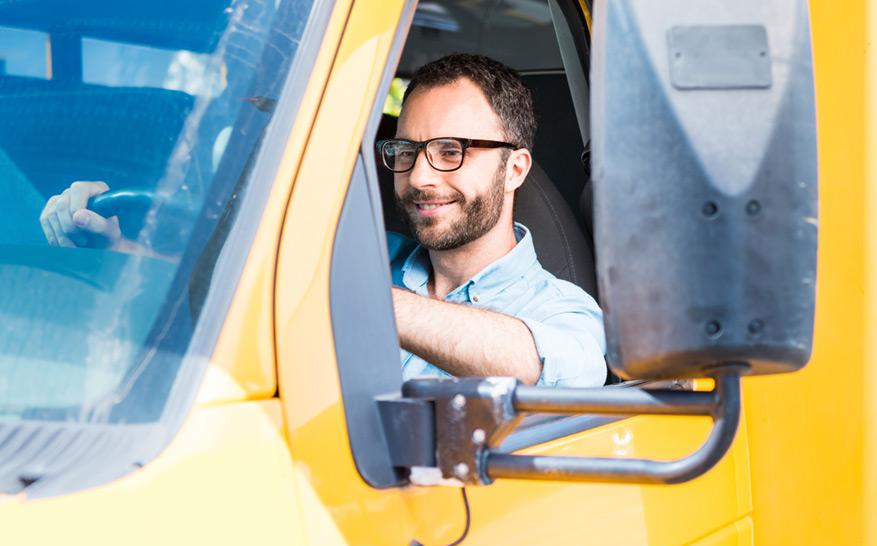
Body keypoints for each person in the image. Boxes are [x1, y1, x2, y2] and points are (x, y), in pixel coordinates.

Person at [38, 53, 607, 388]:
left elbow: (538, 363)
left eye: (453, 150)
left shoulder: (562, 308)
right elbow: (238, 282)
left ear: (515, 168)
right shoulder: (360, 252)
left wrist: (332, 288)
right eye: (405, 152)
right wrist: (117, 250)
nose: (421, 177)